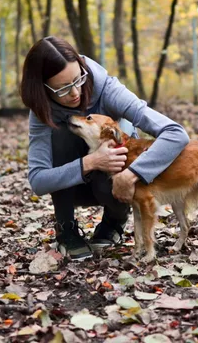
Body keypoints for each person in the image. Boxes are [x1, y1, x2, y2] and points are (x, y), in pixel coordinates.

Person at [20, 36, 189, 261]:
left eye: (77, 80)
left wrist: (132, 174)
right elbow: (38, 181)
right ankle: (66, 229)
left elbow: (176, 133)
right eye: (62, 89)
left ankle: (113, 222)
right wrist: (91, 162)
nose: (75, 93)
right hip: (73, 188)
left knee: (122, 143)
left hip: (116, 186)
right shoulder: (41, 112)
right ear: (42, 88)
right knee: (59, 134)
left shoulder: (108, 89)